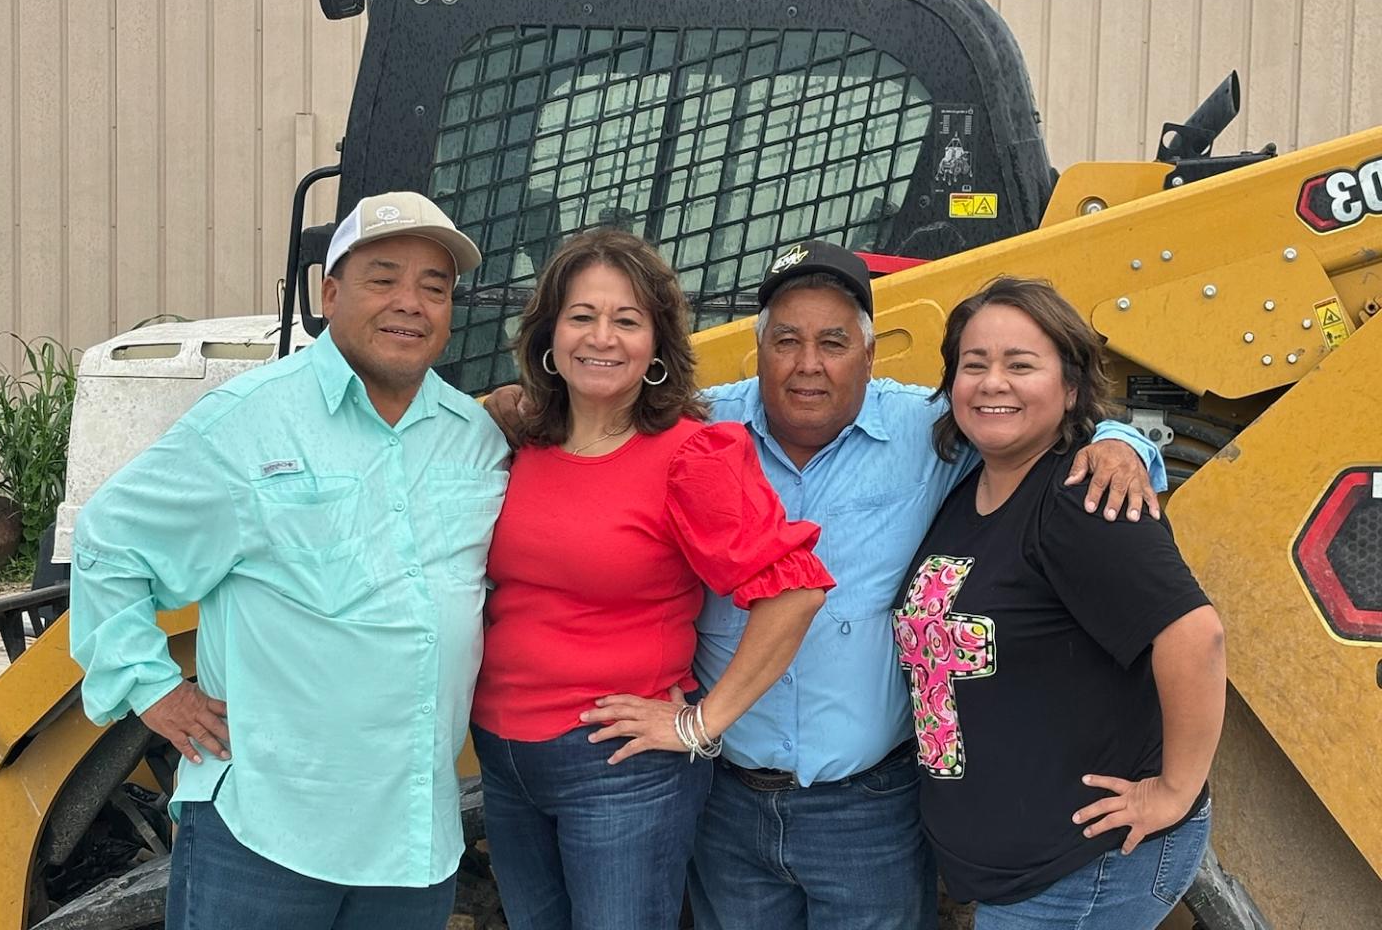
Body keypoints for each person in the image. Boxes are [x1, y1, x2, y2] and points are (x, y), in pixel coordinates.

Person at [485, 239, 1164, 930]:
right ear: (759, 350)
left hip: (867, 809)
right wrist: (516, 403)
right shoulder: (698, 428)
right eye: (787, 340)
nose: (808, 363)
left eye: (834, 342)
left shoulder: (925, 433)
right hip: (729, 804)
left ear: (870, 356)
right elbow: (587, 427)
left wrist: (1117, 441)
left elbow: (1021, 415)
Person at [69, 191, 508, 930]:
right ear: (330, 294)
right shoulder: (248, 423)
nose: (410, 303)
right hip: (266, 834)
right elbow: (110, 539)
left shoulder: (475, 438)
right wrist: (150, 690)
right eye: (384, 279)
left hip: (411, 839)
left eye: (435, 288)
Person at [469, 228, 835, 930]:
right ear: (549, 334)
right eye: (582, 316)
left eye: (627, 320)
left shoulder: (690, 455)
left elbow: (795, 590)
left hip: (617, 769)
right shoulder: (519, 440)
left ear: (657, 346)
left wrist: (700, 724)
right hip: (504, 758)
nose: (601, 338)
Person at [892, 276, 1225, 928]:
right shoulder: (971, 492)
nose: (993, 383)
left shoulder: (1080, 498)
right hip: (1019, 872)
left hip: (1083, 868)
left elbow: (1196, 635)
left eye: (1021, 365)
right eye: (974, 364)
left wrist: (1174, 791)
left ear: (1070, 387)